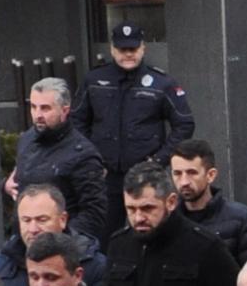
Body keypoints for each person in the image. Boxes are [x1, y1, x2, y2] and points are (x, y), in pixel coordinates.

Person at [99, 164, 236, 286]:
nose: (138, 218)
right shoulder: (119, 245)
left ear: (171, 202)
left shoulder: (204, 246)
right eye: (131, 209)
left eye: (147, 208)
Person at [78, 22, 194, 186]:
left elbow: (184, 124)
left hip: (147, 176)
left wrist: (158, 161)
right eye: (122, 49)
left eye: (133, 49)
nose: (128, 54)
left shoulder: (161, 83)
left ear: (143, 48)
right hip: (103, 175)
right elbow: (77, 122)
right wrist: (90, 159)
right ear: (112, 49)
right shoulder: (93, 80)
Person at [12, 76, 115, 248]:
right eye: (34, 107)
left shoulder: (83, 154)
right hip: (22, 242)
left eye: (45, 108)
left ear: (65, 110)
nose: (38, 115)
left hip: (62, 249)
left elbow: (94, 212)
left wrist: (62, 244)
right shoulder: (27, 139)